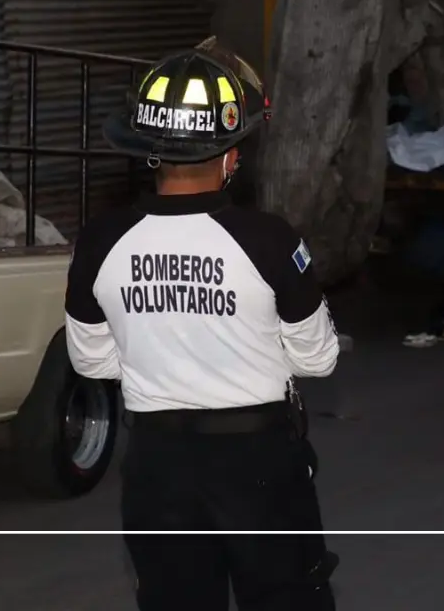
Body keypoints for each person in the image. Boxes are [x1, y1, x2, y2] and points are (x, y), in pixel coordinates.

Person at [66, 41, 340, 610]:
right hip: (258, 463)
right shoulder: (268, 239)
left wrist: (162, 356)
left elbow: (91, 360)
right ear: (230, 157)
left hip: (158, 469)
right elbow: (318, 359)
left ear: (148, 150)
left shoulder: (101, 241)